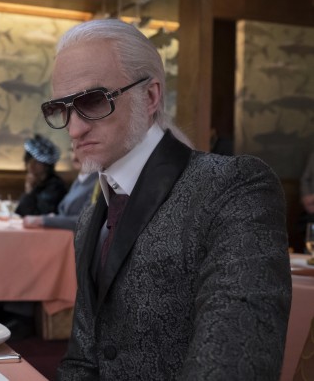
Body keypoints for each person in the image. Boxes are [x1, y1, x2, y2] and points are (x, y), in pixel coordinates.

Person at [39, 19, 291, 379]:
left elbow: (233, 365)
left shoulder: (234, 186)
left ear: (150, 96)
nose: (74, 129)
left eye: (93, 101)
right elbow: (82, 360)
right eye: (62, 109)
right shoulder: (90, 219)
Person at [23, 148, 98, 230]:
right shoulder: (79, 180)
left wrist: (44, 220)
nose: (75, 156)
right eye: (72, 150)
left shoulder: (97, 183)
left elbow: (85, 221)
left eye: (81, 149)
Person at [14, 134, 67, 217]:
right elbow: (19, 212)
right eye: (29, 161)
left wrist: (29, 191)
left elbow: (41, 214)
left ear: (47, 166)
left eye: (36, 162)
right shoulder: (36, 182)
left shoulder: (55, 185)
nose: (31, 165)